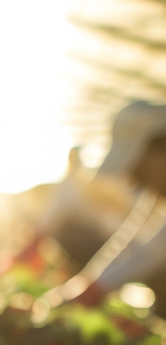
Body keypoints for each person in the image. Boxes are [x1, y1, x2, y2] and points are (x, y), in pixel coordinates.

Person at [39, 100, 166, 314]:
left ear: (159, 151)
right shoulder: (156, 184)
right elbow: (133, 238)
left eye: (136, 167)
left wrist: (94, 289)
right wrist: (84, 284)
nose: (131, 179)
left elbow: (154, 250)